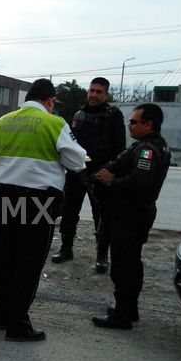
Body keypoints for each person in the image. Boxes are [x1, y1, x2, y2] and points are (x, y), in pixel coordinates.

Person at [0, 78, 87, 341]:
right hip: (38, 202)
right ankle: (17, 326)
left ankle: (1, 315)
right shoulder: (54, 123)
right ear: (50, 101)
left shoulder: (2, 122)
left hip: (5, 196)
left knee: (4, 258)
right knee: (28, 262)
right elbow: (76, 161)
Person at [91, 103, 171, 329]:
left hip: (130, 214)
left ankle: (123, 315)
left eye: (135, 122)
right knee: (131, 263)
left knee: (124, 265)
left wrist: (110, 181)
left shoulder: (147, 150)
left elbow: (140, 184)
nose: (130, 125)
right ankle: (128, 308)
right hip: (133, 213)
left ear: (148, 124)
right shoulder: (151, 146)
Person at [51, 77, 125, 273]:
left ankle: (102, 256)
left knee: (101, 216)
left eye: (99, 92)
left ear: (106, 94)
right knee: (68, 212)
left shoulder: (114, 115)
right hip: (77, 173)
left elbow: (120, 149)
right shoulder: (79, 113)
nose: (94, 95)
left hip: (101, 175)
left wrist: (109, 171)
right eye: (91, 90)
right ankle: (66, 249)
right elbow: (69, 144)